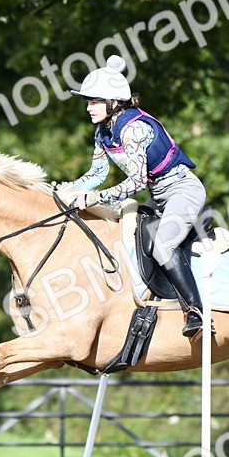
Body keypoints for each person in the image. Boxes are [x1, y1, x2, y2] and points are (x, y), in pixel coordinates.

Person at [64, 55, 212, 339]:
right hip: (159, 195)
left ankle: (196, 311)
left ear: (113, 102)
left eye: (94, 101)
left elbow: (136, 181)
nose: (88, 107)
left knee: (162, 246)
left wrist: (92, 198)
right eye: (88, 101)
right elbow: (95, 174)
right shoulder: (103, 132)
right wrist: (69, 189)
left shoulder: (133, 129)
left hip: (182, 190)